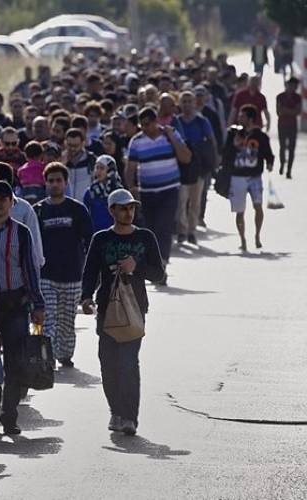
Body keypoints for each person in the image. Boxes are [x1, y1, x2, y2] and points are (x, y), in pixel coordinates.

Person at [80, 189, 165, 436]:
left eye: (131, 208)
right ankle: (116, 411)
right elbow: (90, 271)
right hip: (107, 308)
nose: (128, 213)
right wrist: (86, 297)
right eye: (123, 208)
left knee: (128, 363)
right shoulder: (101, 238)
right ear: (112, 211)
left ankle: (129, 417)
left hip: (135, 309)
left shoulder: (145, 237)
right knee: (108, 363)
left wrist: (136, 267)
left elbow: (159, 274)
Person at [0, 180, 45, 436]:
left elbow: (30, 270)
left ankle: (10, 415)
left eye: (3, 199)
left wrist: (38, 304)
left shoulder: (22, 233)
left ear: (12, 203)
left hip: (16, 306)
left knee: (15, 363)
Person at [33, 164, 93, 368]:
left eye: (59, 180)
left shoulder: (77, 209)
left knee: (67, 322)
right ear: (45, 183)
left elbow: (89, 240)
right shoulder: (38, 211)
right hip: (46, 276)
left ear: (66, 183)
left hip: (72, 275)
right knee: (47, 318)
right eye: (51, 181)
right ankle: (45, 358)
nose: (55, 184)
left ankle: (65, 355)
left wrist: (90, 273)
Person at [125, 107, 190, 281]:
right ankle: (155, 264)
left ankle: (162, 265)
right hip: (147, 193)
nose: (145, 128)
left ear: (156, 121)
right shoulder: (136, 141)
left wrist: (172, 137)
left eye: (148, 124)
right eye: (142, 125)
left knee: (164, 227)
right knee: (150, 230)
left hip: (169, 190)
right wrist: (131, 188)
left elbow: (186, 157)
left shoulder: (170, 134)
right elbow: (130, 168)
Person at [172, 90, 217, 245]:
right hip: (181, 166)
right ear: (179, 104)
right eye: (183, 101)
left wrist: (213, 162)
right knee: (181, 200)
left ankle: (192, 230)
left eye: (189, 101)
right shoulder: (176, 121)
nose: (187, 104)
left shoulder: (202, 121)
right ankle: (182, 230)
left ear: (195, 103)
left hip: (198, 166)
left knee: (195, 201)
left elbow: (211, 141)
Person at [229, 105, 275, 251]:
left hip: (255, 176)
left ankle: (257, 235)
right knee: (240, 211)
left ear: (250, 119)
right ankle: (242, 239)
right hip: (238, 177)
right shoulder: (234, 133)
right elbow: (227, 152)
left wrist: (270, 163)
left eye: (242, 116)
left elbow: (268, 153)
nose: (239, 118)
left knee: (258, 206)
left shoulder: (260, 136)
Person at [83, 155, 123, 232]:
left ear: (110, 170)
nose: (98, 171)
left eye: (102, 168)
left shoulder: (119, 192)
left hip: (115, 232)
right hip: (96, 233)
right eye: (97, 168)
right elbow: (84, 216)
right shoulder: (90, 192)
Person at [276, 77, 302, 179]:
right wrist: (291, 111)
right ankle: (282, 163)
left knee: (291, 148)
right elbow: (279, 111)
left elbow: (298, 111)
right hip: (282, 124)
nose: (293, 88)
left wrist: (285, 110)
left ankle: (289, 170)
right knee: (282, 146)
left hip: (292, 125)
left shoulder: (297, 97)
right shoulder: (280, 96)